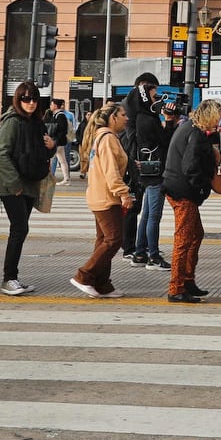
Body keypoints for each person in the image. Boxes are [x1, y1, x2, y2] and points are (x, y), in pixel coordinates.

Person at [0, 81, 55, 296]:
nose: (30, 103)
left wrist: (51, 148)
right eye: (25, 98)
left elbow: (38, 155)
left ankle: (12, 278)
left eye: (34, 99)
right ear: (18, 99)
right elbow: (2, 153)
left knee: (21, 230)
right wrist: (15, 184)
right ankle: (8, 278)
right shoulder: (13, 122)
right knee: (19, 229)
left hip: (30, 184)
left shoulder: (35, 123)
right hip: (14, 186)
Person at [161, 99, 221, 303]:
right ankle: (176, 287)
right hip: (183, 192)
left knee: (196, 234)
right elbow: (190, 168)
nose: (219, 121)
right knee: (184, 239)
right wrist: (203, 188)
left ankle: (187, 280)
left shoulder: (188, 127)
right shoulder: (194, 134)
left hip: (178, 188)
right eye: (218, 117)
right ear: (210, 116)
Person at [72, 102, 134, 298]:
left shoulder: (102, 137)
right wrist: (123, 193)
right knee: (114, 239)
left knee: (103, 240)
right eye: (123, 114)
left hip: (99, 195)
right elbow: (110, 171)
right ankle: (85, 275)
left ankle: (102, 284)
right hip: (107, 197)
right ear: (112, 118)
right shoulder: (107, 139)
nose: (127, 118)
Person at [122, 87, 169, 269]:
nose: (158, 100)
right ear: (144, 99)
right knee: (154, 217)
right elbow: (165, 141)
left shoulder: (141, 119)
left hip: (148, 172)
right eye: (154, 97)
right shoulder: (148, 120)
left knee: (147, 215)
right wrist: (169, 121)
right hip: (155, 172)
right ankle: (154, 257)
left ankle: (140, 253)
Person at [46, 102, 75, 183]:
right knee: (62, 160)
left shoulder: (60, 115)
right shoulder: (57, 115)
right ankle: (66, 178)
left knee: (51, 159)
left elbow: (62, 130)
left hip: (58, 142)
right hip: (59, 142)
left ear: (55, 105)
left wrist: (56, 140)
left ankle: (49, 177)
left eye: (51, 104)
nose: (50, 106)